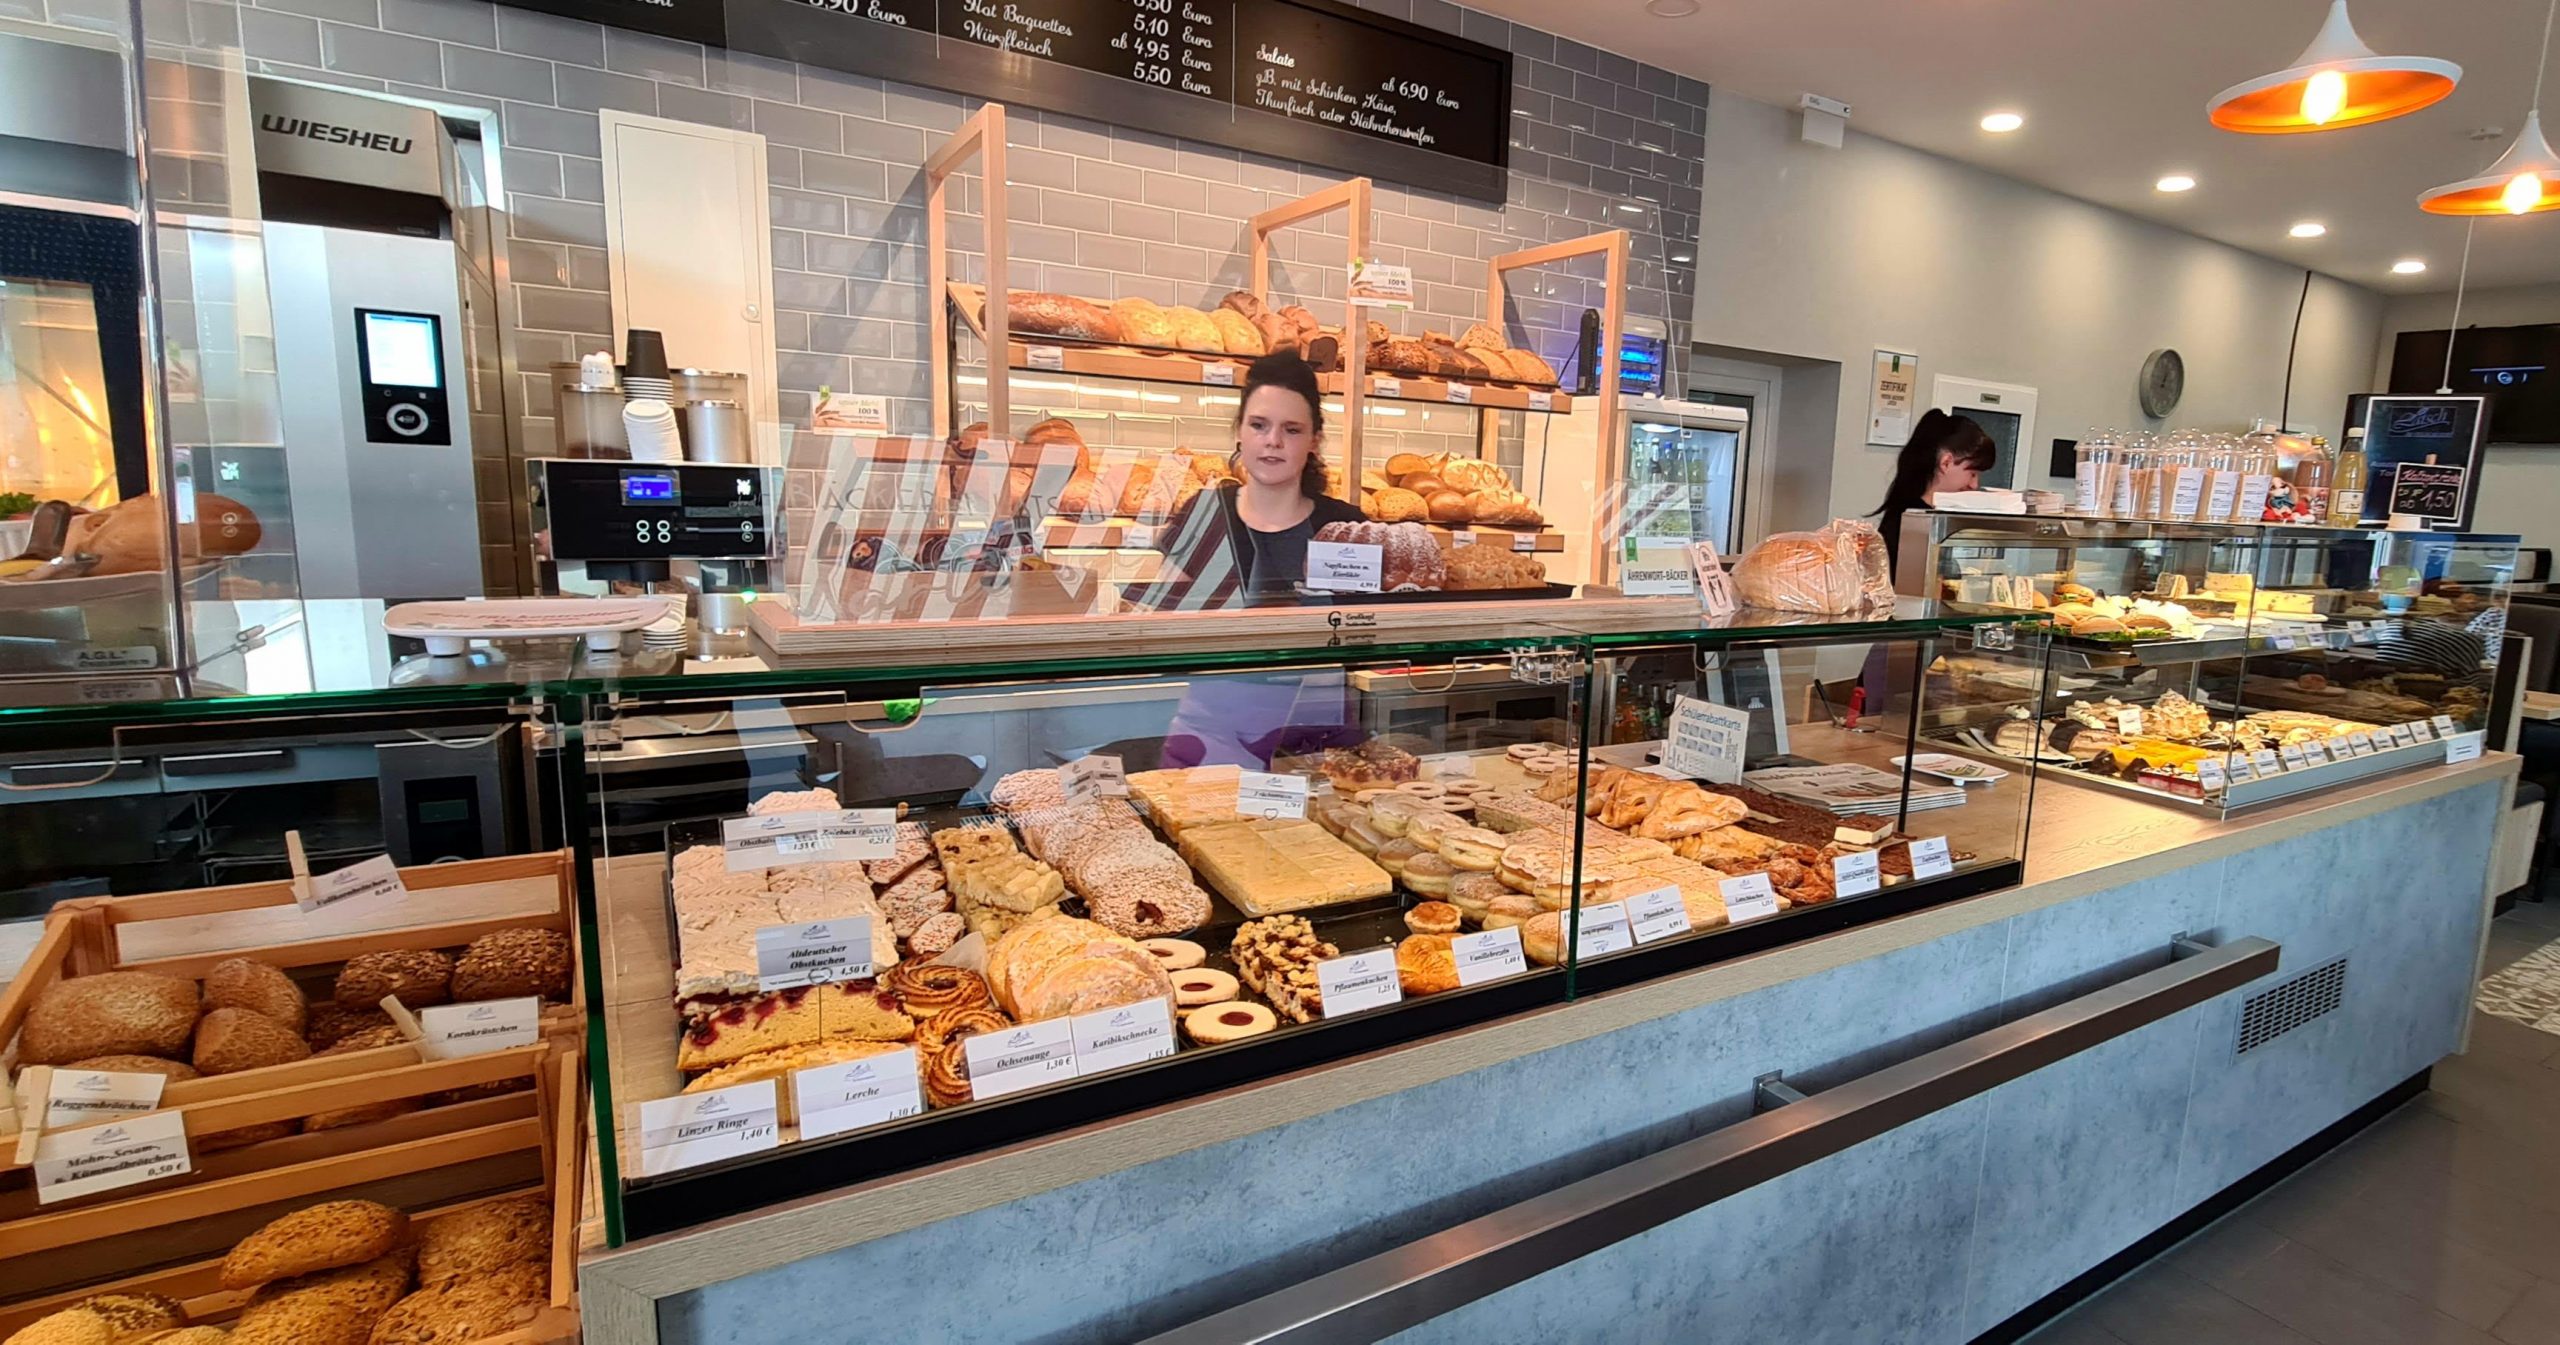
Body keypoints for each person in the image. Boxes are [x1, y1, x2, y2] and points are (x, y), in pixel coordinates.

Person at [1140, 351, 1365, 608]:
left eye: (1292, 430)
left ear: (1314, 441)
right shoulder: (1204, 515)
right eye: (1259, 425)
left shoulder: (1347, 527)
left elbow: (1362, 629)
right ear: (1240, 430)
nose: (1273, 441)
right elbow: (1174, 617)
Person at [1872, 408, 1997, 580]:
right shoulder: (1913, 521)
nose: (1974, 485)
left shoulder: (1912, 512)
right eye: (1973, 473)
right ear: (1946, 463)